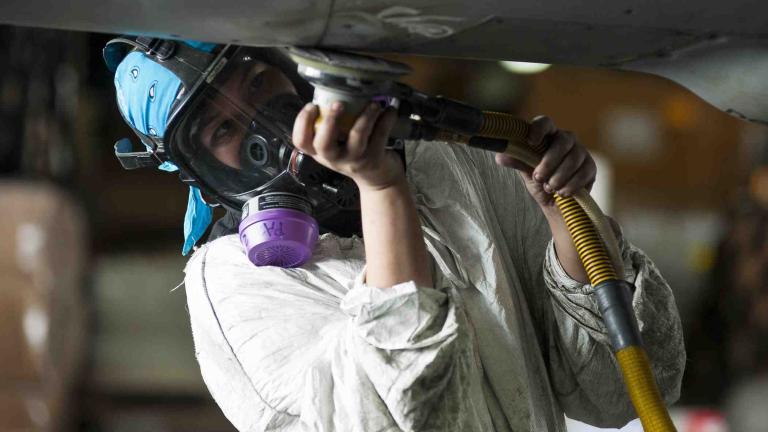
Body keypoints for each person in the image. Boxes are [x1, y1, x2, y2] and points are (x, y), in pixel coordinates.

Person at [104, 37, 685, 431]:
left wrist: (561, 207)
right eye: (223, 130)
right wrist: (382, 188)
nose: (265, 123)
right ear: (199, 174)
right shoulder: (233, 281)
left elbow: (614, 389)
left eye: (258, 83)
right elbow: (411, 415)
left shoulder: (446, 162)